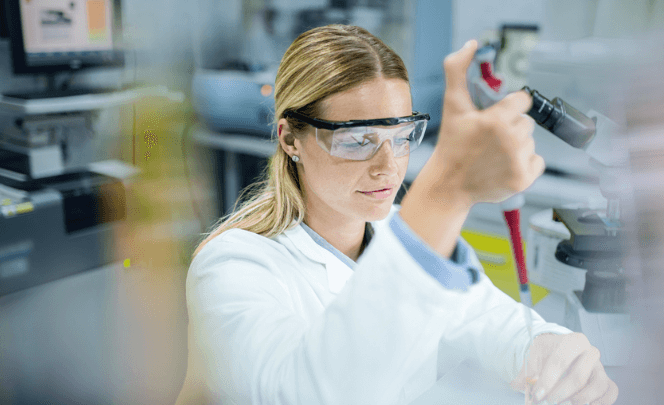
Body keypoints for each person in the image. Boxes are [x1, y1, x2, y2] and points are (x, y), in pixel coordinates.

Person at [176, 25, 618, 405]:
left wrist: (550, 352)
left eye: (403, 135)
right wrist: (446, 191)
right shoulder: (232, 266)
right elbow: (301, 393)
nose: (389, 165)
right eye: (357, 139)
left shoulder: (398, 230)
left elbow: (490, 320)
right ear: (291, 138)